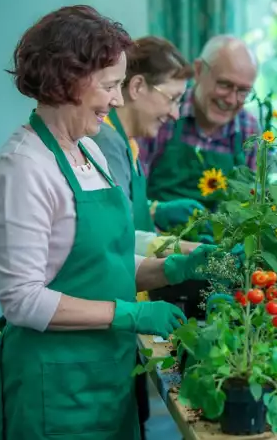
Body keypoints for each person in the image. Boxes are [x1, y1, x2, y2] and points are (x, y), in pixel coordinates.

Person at [0, 6, 217, 440]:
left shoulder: (88, 152)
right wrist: (131, 312)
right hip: (54, 387)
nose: (119, 100)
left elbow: (104, 263)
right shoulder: (22, 168)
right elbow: (23, 301)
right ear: (69, 80)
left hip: (108, 377)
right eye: (110, 86)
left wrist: (173, 267)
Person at [89, 35, 201, 438]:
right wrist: (189, 251)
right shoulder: (104, 142)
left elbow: (123, 213)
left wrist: (156, 211)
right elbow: (111, 240)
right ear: (136, 87)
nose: (175, 113)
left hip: (122, 304)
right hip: (104, 313)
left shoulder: (127, 144)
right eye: (172, 98)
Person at [138, 35, 260, 210]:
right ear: (198, 70)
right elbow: (133, 197)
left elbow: (252, 207)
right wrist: (159, 213)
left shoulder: (249, 131)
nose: (231, 100)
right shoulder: (163, 115)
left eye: (243, 91)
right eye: (224, 85)